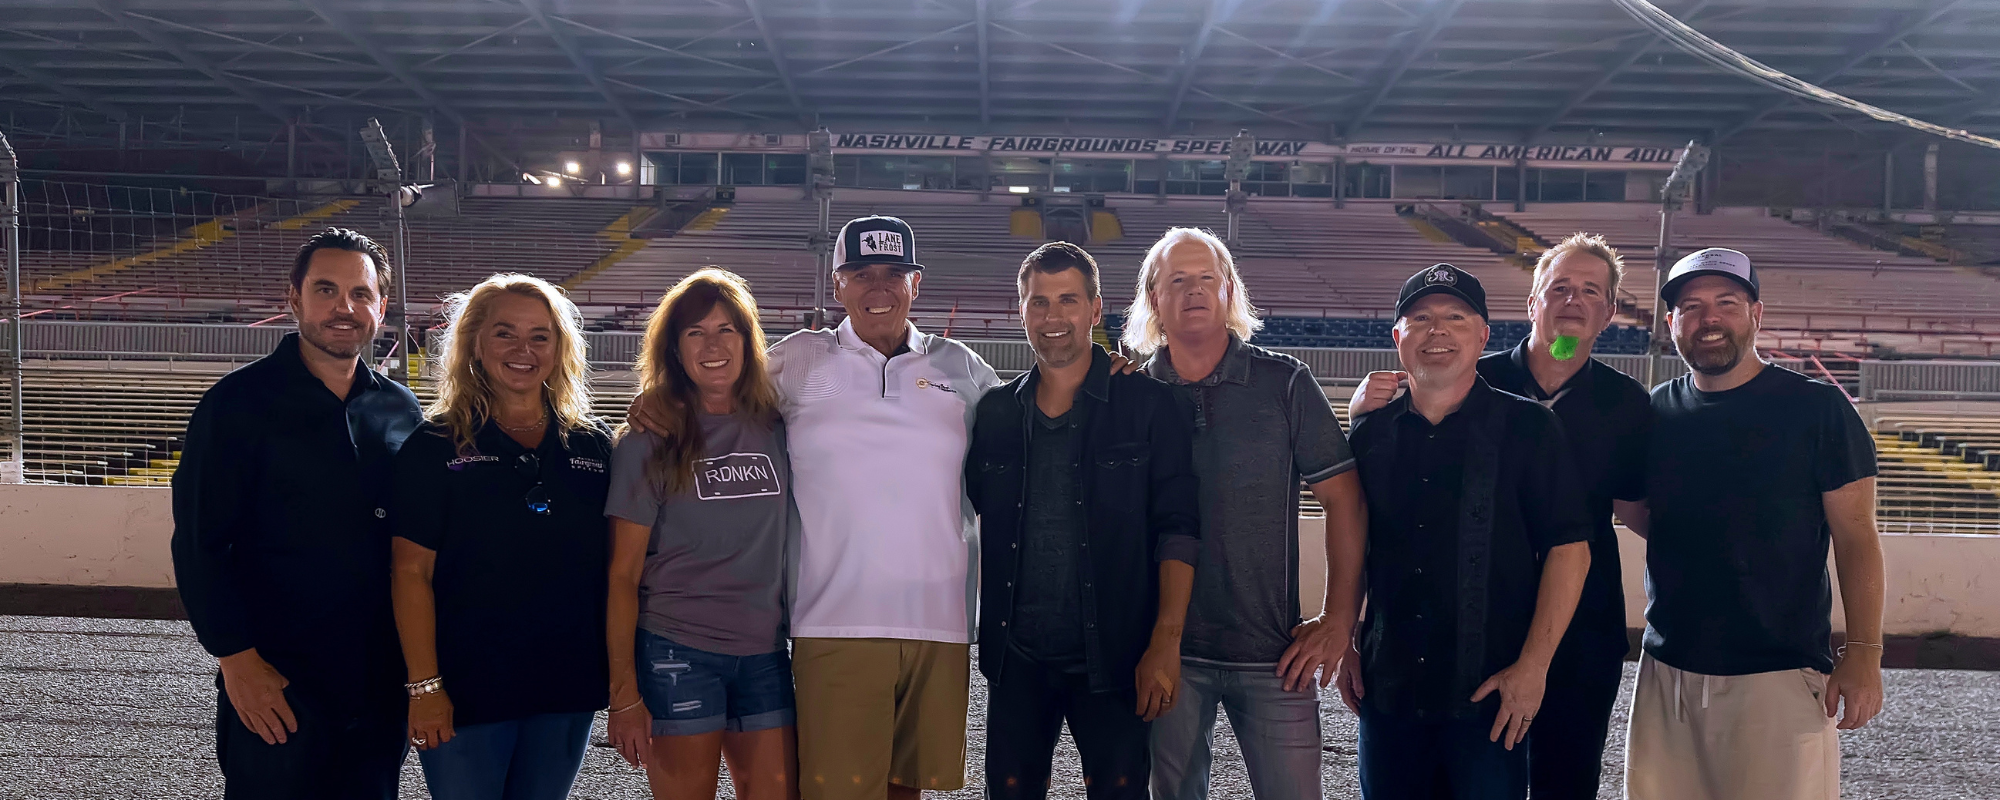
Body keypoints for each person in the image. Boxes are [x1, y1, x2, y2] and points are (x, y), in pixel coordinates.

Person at [628, 216, 1001, 800]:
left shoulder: (965, 370)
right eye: (861, 274)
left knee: (909, 789)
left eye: (894, 274)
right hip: (834, 618)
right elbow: (719, 385)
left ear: (917, 283)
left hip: (942, 621)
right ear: (837, 285)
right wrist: (663, 394)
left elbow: (1030, 428)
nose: (878, 288)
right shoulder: (795, 362)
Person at [1347, 233, 1649, 799]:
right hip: (1473, 634)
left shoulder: (1626, 403)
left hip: (1582, 628)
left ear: (1610, 311)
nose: (1572, 301)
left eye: (1590, 291)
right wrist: (1363, 411)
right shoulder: (1470, 378)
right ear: (1532, 302)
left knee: (1566, 779)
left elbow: (1636, 507)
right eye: (1559, 287)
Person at [1622, 248, 1885, 800]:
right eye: (1690, 307)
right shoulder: (1656, 411)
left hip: (1778, 672)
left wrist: (1863, 652)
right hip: (1668, 665)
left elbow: (1857, 536)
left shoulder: (1817, 410)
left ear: (1756, 314)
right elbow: (1645, 513)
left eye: (1727, 303)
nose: (1708, 318)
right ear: (1671, 324)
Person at [170, 227, 421, 799]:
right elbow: (199, 544)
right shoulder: (236, 405)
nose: (344, 307)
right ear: (295, 299)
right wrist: (236, 660)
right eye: (327, 290)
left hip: (377, 678)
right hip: (277, 675)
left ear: (381, 306)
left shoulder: (400, 408)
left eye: (361, 294)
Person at [1125, 227, 1368, 800]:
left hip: (1274, 655)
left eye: (1207, 277)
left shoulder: (1284, 384)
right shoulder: (1130, 393)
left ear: (1229, 289)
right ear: (1153, 298)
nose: (1194, 291)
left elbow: (1345, 499)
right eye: (1176, 280)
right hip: (1167, 652)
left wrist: (1339, 619)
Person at [966, 242, 1200, 799]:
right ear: (1020, 311)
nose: (1053, 318)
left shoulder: (1148, 405)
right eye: (1039, 303)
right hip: (1017, 658)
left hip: (1117, 657)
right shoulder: (996, 412)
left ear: (1096, 310)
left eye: (1068, 300)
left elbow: (1179, 528)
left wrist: (1165, 643)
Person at [388, 274, 612, 799]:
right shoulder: (434, 446)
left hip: (565, 687)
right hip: (467, 690)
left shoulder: (594, 445)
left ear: (560, 347)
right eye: (504, 333)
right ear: (474, 344)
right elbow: (409, 573)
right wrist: (425, 686)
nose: (523, 350)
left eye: (540, 335)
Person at [603, 268, 800, 800]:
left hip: (764, 652)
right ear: (675, 349)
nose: (713, 346)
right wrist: (623, 694)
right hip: (677, 651)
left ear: (747, 339)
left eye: (726, 330)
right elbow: (621, 576)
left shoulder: (778, 423)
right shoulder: (649, 440)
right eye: (695, 333)